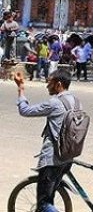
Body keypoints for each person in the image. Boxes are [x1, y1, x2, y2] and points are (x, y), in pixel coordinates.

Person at [14, 70, 79, 212]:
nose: (47, 85)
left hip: (52, 160)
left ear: (58, 84)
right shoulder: (75, 101)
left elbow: (25, 110)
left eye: (50, 82)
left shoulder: (55, 103)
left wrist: (21, 88)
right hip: (67, 157)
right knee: (50, 198)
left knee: (43, 204)